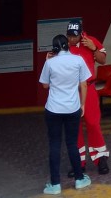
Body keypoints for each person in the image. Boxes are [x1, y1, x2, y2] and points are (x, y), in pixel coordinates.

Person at [39, 34, 93, 195]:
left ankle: (55, 184)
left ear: (54, 48)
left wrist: (47, 60)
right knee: (72, 143)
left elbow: (44, 86)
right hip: (72, 108)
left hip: (53, 109)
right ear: (67, 45)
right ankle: (79, 179)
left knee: (54, 144)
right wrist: (82, 104)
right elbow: (84, 84)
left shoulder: (50, 63)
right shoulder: (78, 60)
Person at [66, 19, 110, 176]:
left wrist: (93, 49)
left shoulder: (91, 41)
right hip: (70, 91)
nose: (72, 39)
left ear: (81, 33)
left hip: (89, 87)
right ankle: (78, 162)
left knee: (93, 123)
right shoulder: (64, 46)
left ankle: (101, 158)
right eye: (69, 35)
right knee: (74, 126)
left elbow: (103, 60)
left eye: (75, 36)